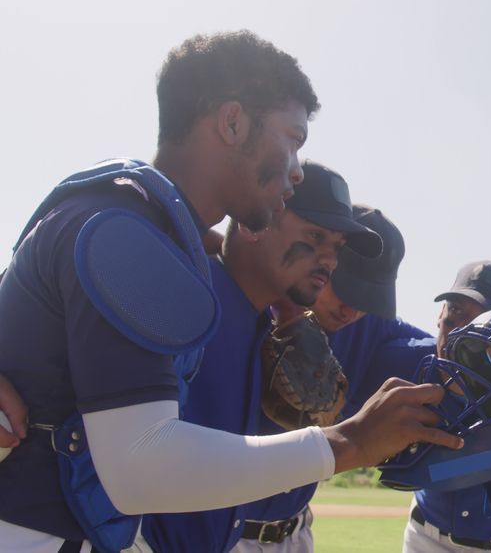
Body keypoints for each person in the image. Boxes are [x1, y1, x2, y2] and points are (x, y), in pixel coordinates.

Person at [0, 31, 459, 552]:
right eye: (293, 137)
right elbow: (139, 467)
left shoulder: (140, 227)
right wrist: (348, 441)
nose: (297, 168)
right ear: (233, 122)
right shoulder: (126, 230)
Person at [139, 162, 382, 552]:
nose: (330, 260)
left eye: (336, 247)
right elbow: (148, 457)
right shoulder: (187, 296)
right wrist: (349, 442)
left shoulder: (262, 320)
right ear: (256, 223)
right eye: (315, 235)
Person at [234, 204, 435, 553]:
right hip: (218, 532)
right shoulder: (251, 306)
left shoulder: (369, 327)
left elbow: (444, 350)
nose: (352, 310)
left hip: (295, 534)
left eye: (369, 300)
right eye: (346, 291)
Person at [405, 260, 491, 553]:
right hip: (424, 537)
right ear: (439, 313)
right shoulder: (409, 362)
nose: (460, 328)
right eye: (455, 309)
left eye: (483, 319)